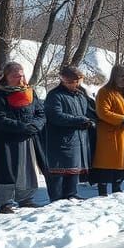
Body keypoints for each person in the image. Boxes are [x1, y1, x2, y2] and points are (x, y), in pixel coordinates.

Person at [0, 62, 46, 214]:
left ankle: (26, 198)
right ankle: (5, 202)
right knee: (7, 170)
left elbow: (40, 113)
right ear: (7, 77)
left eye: (21, 76)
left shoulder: (30, 92)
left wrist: (36, 126)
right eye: (15, 76)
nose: (20, 79)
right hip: (7, 139)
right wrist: (22, 127)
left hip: (28, 138)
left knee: (27, 168)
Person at [43, 65, 96, 202]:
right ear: (64, 81)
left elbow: (89, 113)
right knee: (59, 171)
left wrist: (91, 122)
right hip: (60, 140)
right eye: (73, 82)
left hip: (78, 138)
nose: (77, 84)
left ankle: (71, 193)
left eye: (78, 81)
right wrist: (78, 121)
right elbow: (55, 115)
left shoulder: (80, 95)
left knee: (74, 168)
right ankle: (57, 198)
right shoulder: (55, 95)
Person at [90, 64, 124, 196]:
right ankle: (102, 192)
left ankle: (117, 189)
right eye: (120, 76)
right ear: (114, 77)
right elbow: (103, 112)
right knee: (106, 164)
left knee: (121, 164)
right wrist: (122, 119)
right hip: (109, 133)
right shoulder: (105, 92)